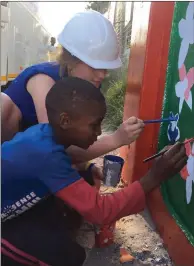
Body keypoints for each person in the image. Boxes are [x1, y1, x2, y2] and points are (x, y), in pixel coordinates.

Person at [1, 78, 188, 266]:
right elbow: (101, 211)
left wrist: (88, 168)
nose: (98, 132)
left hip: (11, 201)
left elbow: (62, 159)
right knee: (68, 258)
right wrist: (155, 176)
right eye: (94, 125)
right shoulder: (44, 155)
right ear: (65, 120)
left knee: (81, 186)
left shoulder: (44, 134)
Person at [1, 10, 144, 165]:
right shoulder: (43, 81)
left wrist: (86, 167)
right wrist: (116, 139)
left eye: (105, 68)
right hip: (13, 156)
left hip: (33, 155)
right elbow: (56, 147)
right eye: (95, 67)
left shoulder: (87, 82)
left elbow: (77, 135)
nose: (102, 75)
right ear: (71, 59)